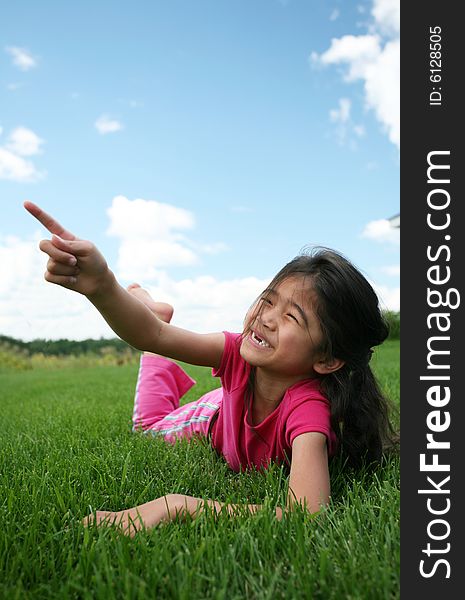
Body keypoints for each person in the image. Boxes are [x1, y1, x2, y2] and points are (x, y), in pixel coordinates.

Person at [24, 200, 397, 536]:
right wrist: (103, 287)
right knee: (147, 426)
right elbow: (152, 335)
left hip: (221, 405)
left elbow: (308, 514)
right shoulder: (236, 350)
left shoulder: (308, 410)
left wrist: (179, 505)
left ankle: (156, 311)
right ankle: (152, 308)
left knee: (146, 424)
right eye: (267, 301)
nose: (265, 319)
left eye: (290, 317)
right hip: (212, 413)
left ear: (327, 359)